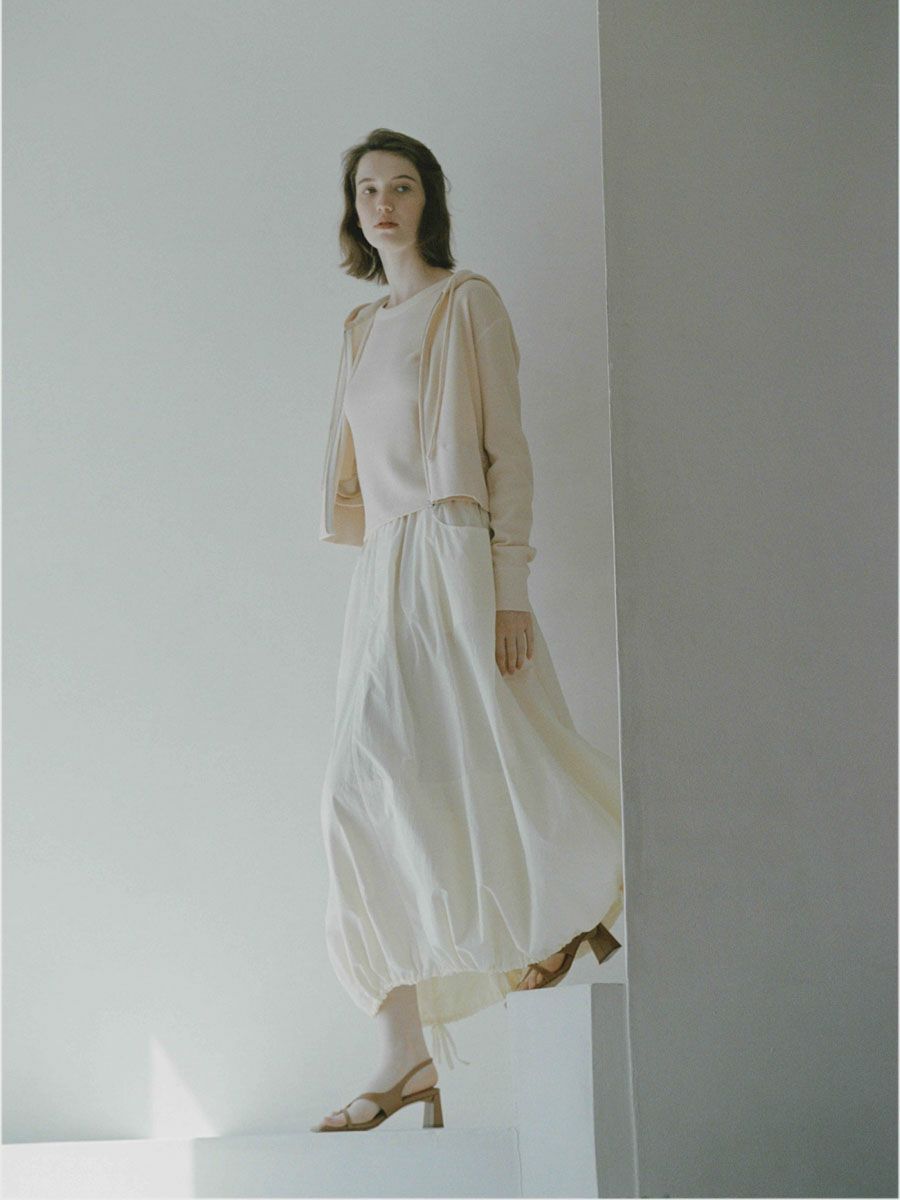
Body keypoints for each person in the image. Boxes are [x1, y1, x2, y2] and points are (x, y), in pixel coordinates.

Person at [311, 129, 624, 1133]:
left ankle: (582, 903)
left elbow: (507, 455)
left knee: (500, 753)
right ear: (354, 209)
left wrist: (510, 586)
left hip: (453, 552)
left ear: (428, 202)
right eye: (369, 189)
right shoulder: (360, 328)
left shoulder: (467, 302)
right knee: (361, 793)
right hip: (385, 568)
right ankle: (405, 1053)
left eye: (403, 186)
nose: (385, 203)